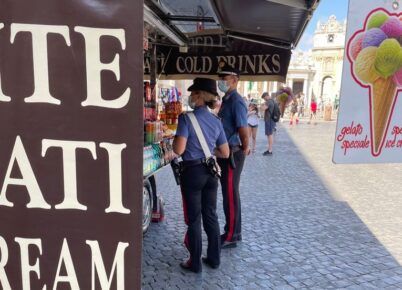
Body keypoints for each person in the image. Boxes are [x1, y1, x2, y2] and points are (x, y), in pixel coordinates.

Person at [173, 78, 230, 273]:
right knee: (211, 215)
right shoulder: (216, 120)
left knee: (194, 219)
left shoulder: (186, 119)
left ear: (198, 95)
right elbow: (225, 152)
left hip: (193, 173)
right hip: (211, 173)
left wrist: (187, 146)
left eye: (192, 93)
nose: (190, 96)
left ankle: (194, 262)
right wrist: (208, 153)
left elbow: (179, 149)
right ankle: (214, 258)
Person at [217, 64, 249, 249]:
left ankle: (232, 235)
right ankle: (231, 230)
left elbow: (243, 129)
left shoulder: (236, 100)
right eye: (220, 77)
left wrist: (244, 148)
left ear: (235, 80)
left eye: (225, 77)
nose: (221, 81)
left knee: (230, 193)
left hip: (232, 153)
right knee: (228, 193)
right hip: (227, 152)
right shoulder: (227, 99)